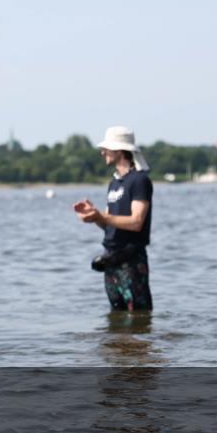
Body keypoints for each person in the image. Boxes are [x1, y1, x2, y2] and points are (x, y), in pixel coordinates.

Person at [74, 126, 153, 312]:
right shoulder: (115, 182)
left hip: (132, 261)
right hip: (111, 259)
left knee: (139, 317)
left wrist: (101, 215)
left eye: (106, 148)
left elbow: (136, 222)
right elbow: (110, 224)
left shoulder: (139, 180)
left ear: (118, 150)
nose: (102, 152)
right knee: (116, 317)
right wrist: (93, 216)